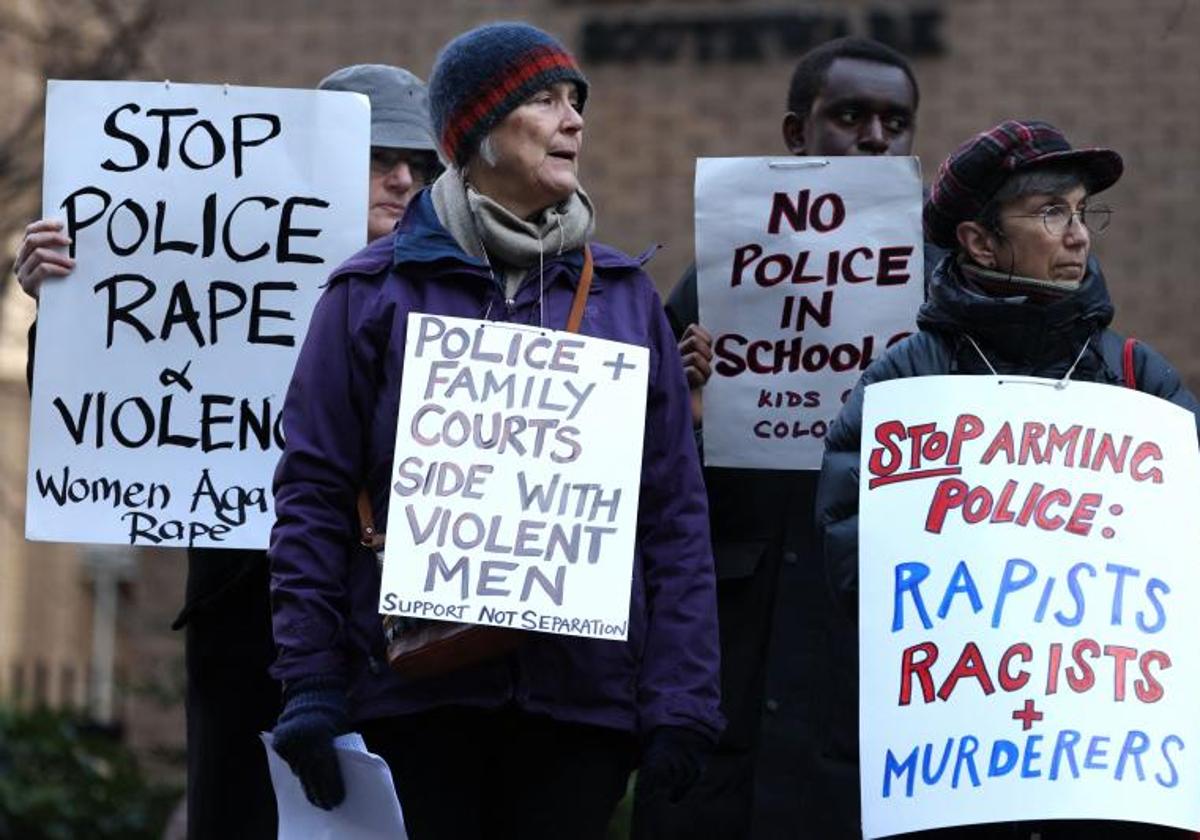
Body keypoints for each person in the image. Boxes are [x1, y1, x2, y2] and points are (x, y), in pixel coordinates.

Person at [266, 22, 723, 840]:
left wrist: (682, 702)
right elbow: (313, 495)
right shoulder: (370, 295)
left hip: (581, 710)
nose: (573, 121)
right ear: (476, 134)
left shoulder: (626, 300)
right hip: (414, 700)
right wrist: (310, 683)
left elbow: (674, 517)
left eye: (576, 102)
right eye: (544, 101)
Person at [12, 64, 442, 839]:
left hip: (397, 633)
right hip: (247, 615)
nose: (404, 178)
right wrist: (68, 307)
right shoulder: (215, 269)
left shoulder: (457, 290)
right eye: (378, 157)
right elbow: (99, 416)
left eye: (422, 163)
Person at [816, 120, 1199, 839]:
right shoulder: (905, 384)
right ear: (979, 241)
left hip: (1105, 767)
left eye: (1083, 212)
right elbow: (857, 562)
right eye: (1052, 212)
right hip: (954, 770)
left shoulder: (1139, 381)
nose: (1079, 235)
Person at [658, 36, 921, 838]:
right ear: (796, 134)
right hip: (731, 668)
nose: (875, 138)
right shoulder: (709, 289)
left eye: (896, 121)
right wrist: (684, 413)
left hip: (861, 672)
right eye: (849, 116)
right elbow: (652, 498)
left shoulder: (941, 293)